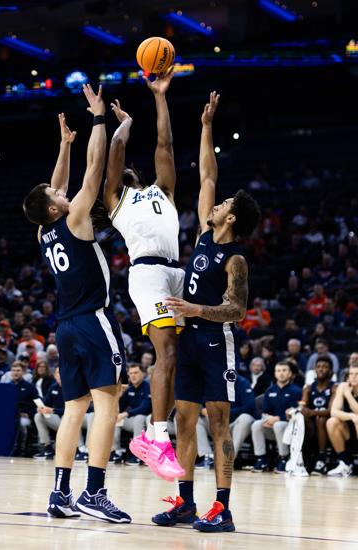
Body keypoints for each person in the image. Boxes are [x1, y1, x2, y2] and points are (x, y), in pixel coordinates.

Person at [153, 92, 261, 533]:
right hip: (192, 339)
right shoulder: (202, 234)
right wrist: (205, 126)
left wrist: (195, 307)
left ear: (231, 219)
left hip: (218, 340)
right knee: (184, 421)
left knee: (218, 423)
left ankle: (223, 507)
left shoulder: (235, 260)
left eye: (224, 206)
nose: (215, 205)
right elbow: (208, 175)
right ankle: (185, 501)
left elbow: (237, 309)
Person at [22, 85, 130, 523]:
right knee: (108, 405)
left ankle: (60, 493)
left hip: (65, 327)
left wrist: (64, 145)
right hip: (93, 320)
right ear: (54, 209)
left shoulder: (44, 231)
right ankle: (95, 492)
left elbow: (59, 185)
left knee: (73, 409)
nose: (61, 192)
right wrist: (98, 119)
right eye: (55, 196)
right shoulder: (76, 218)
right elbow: (94, 170)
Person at [103, 69, 185, 480]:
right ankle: (158, 437)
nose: (125, 173)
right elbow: (115, 153)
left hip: (176, 272)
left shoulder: (162, 191)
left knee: (177, 358)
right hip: (148, 272)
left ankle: (153, 435)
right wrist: (126, 124)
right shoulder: (116, 200)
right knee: (165, 353)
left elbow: (165, 144)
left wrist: (159, 97)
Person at [251, 361, 302, 474]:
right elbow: (265, 411)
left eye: (284, 370)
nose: (281, 373)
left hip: (290, 427)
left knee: (278, 425)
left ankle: (284, 458)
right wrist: (268, 419)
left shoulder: (296, 391)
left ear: (290, 374)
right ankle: (261, 458)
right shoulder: (270, 391)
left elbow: (296, 412)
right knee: (256, 425)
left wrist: (278, 418)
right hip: (272, 426)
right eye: (278, 371)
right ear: (275, 374)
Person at [300, 356, 337, 475]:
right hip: (312, 424)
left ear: (330, 371)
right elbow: (303, 407)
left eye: (325, 367)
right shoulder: (308, 388)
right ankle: (300, 456)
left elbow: (331, 410)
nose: (321, 369)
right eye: (318, 366)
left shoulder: (334, 387)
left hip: (328, 424)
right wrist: (304, 411)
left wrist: (313, 412)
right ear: (314, 369)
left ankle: (322, 458)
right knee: (301, 418)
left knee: (321, 419)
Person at [112, 364, 152, 465]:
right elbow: (120, 408)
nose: (133, 376)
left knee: (139, 418)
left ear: (143, 374)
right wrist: (119, 395)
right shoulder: (129, 389)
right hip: (132, 420)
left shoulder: (148, 387)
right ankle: (117, 451)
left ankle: (138, 454)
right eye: (131, 373)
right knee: (115, 418)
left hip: (147, 420)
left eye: (136, 373)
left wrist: (126, 413)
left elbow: (145, 408)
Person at [326, 362, 358, 477]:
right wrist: (352, 416)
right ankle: (345, 463)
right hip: (350, 429)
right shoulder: (343, 386)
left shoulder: (346, 391)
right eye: (351, 374)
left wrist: (348, 395)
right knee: (332, 422)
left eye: (357, 374)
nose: (353, 377)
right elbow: (333, 411)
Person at [33, 367, 64, 459]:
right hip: (57, 419)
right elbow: (46, 403)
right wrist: (41, 408)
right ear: (55, 375)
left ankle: (79, 449)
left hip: (69, 419)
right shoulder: (54, 387)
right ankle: (47, 447)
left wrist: (53, 410)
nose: (60, 375)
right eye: (58, 373)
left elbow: (74, 409)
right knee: (38, 416)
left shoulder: (72, 388)